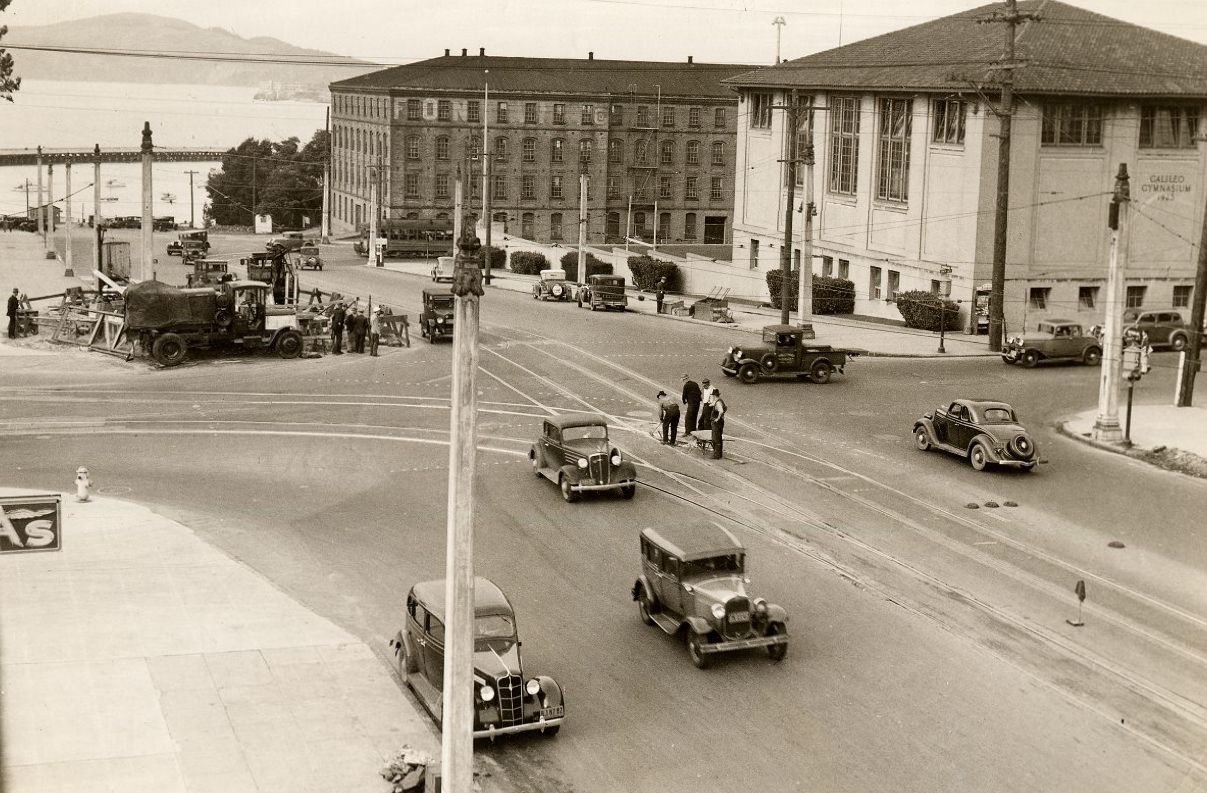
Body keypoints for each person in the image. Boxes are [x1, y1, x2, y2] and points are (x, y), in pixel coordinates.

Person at [709, 388, 727, 460]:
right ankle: (719, 454)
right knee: (719, 437)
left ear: (714, 395)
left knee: (715, 438)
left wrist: (717, 418)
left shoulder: (718, 403)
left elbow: (721, 410)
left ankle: (716, 455)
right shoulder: (719, 400)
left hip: (716, 423)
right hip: (720, 422)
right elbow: (725, 408)